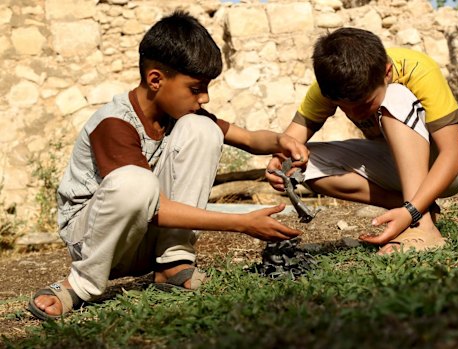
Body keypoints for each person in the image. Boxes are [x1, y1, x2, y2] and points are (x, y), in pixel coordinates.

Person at [27, 11, 308, 321]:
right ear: (156, 80)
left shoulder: (179, 114)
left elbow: (252, 139)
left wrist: (283, 141)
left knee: (203, 129)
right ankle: (79, 285)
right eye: (196, 88)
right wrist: (242, 223)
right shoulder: (114, 123)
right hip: (95, 241)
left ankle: (172, 264)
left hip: (142, 236)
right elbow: (154, 205)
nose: (205, 98)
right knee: (136, 182)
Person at [266, 27, 458, 255]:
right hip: (401, 164)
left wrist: (412, 212)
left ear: (387, 72)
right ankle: (416, 207)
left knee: (395, 95)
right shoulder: (330, 84)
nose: (356, 115)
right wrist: (279, 162)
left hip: (455, 159)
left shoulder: (416, 68)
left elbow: (453, 154)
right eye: (343, 108)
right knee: (303, 163)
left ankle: (421, 226)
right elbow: (290, 141)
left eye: (364, 104)